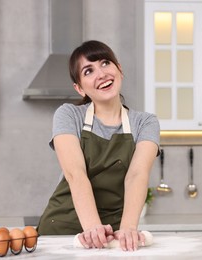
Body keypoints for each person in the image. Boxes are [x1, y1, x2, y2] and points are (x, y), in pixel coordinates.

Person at [37, 40, 160, 251]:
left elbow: (137, 175)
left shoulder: (146, 122)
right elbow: (75, 174)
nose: (101, 74)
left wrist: (129, 227)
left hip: (114, 235)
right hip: (63, 232)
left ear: (119, 69)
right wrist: (93, 227)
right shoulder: (68, 115)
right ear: (79, 88)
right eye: (88, 71)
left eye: (105, 63)